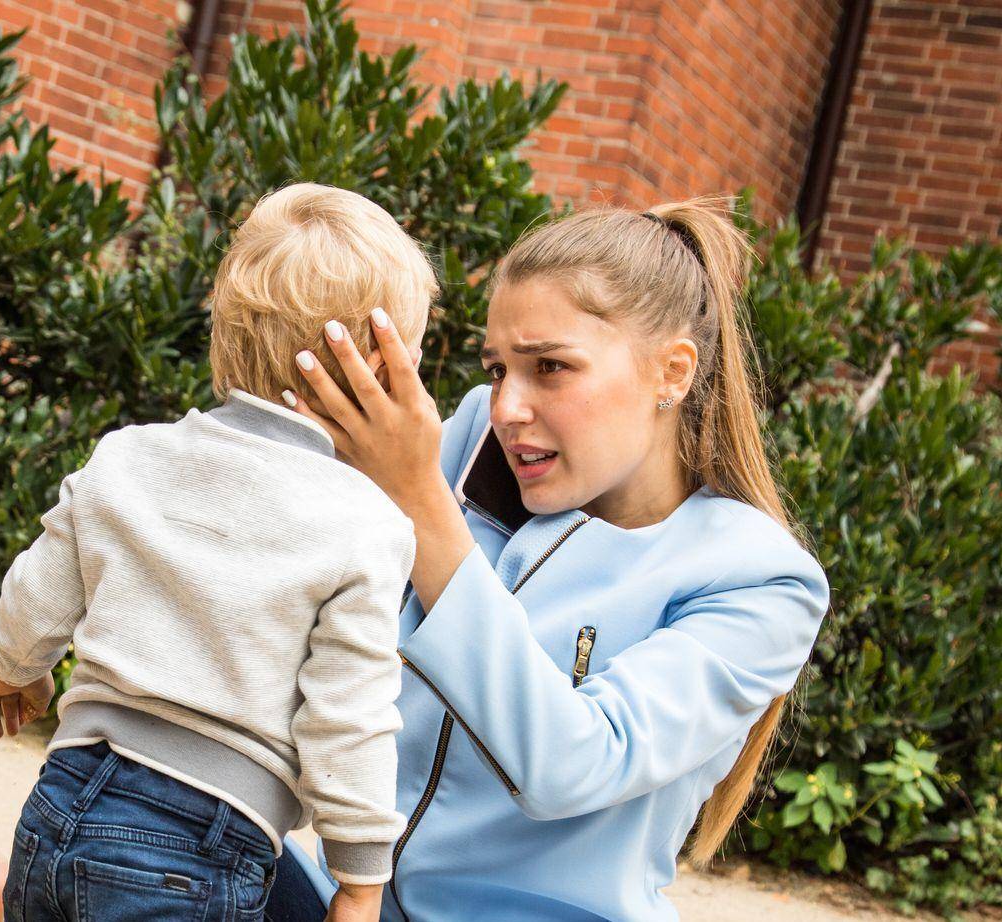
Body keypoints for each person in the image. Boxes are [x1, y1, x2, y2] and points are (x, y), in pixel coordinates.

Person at [274, 197, 831, 921]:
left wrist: (421, 502)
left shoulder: (761, 580)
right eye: (499, 369)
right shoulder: (475, 441)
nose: (507, 405)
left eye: (552, 368)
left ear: (673, 372)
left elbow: (572, 764)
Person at [0, 183, 437, 922]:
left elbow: (41, 586)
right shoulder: (367, 526)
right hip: (198, 847)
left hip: (57, 807)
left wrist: (11, 669)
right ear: (375, 372)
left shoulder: (129, 457)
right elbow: (348, 715)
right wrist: (360, 878)